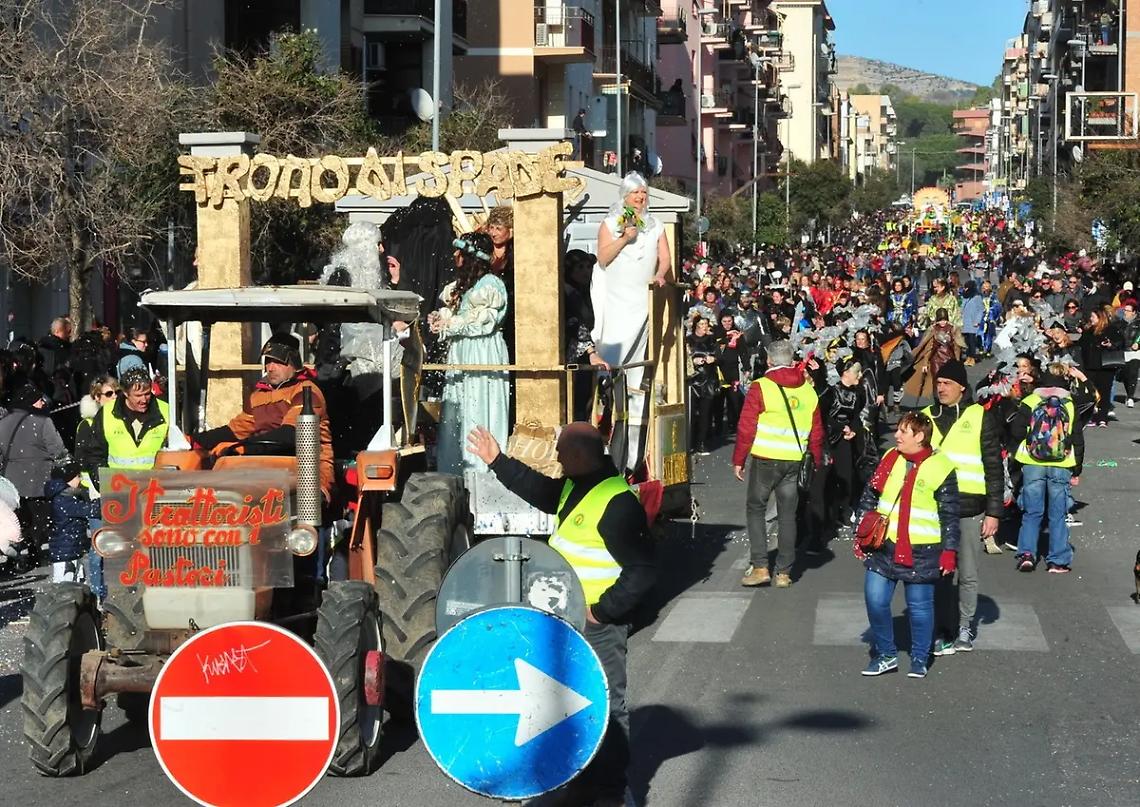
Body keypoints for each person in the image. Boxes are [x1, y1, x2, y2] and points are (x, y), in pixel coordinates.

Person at [465, 423, 655, 807]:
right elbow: (539, 489)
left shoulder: (617, 502)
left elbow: (644, 570)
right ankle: (573, 777)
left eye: (562, 453)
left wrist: (602, 611)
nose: (556, 458)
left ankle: (611, 792)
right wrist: (497, 460)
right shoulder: (576, 484)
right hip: (564, 620)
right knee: (558, 701)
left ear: (582, 455)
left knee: (604, 704)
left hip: (597, 626)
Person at [855, 412, 960, 679]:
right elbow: (871, 492)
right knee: (875, 599)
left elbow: (949, 513)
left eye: (904, 431)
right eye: (898, 430)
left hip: (922, 550)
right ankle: (886, 655)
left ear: (920, 437)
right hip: (884, 545)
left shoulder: (941, 466)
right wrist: (861, 529)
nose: (897, 435)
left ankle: (920, 657)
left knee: (920, 607)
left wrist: (949, 552)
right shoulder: (891, 457)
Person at [922, 360, 1006, 657]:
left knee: (967, 572)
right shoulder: (925, 417)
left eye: (947, 383)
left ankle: (966, 625)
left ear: (961, 387)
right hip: (933, 508)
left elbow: (994, 467)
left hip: (970, 508)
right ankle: (943, 627)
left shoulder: (980, 416)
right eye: (938, 382)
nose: (941, 388)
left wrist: (994, 512)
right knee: (939, 572)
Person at [593, 172, 671, 473]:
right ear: (624, 196)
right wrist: (625, 238)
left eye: (643, 192)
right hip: (616, 305)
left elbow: (664, 258)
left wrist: (661, 273)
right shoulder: (610, 223)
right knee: (612, 370)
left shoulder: (655, 225)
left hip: (641, 303)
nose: (640, 197)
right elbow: (603, 258)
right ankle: (604, 441)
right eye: (635, 193)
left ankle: (631, 457)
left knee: (637, 378)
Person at [732, 340, 824, 588]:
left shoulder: (761, 386)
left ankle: (761, 566)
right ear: (792, 360)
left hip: (765, 459)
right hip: (793, 459)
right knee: (787, 515)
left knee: (756, 509)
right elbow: (817, 431)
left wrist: (739, 459)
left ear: (769, 361)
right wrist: (815, 458)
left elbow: (746, 425)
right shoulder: (807, 389)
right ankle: (784, 572)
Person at [195, 335, 334, 497]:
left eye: (277, 362)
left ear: (293, 363)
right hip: (265, 472)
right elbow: (237, 430)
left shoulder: (307, 391)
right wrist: (195, 441)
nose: (270, 367)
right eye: (267, 361)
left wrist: (243, 447)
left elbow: (291, 434)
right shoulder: (258, 396)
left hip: (307, 474)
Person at [429, 232, 510, 476]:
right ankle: (457, 470)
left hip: (482, 351)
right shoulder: (461, 286)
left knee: (479, 405)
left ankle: (482, 469)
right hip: (463, 351)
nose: (455, 256)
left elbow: (484, 319)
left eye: (460, 252)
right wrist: (440, 319)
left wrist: (452, 323)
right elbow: (458, 315)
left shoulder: (490, 285)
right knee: (460, 408)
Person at [1011, 370, 1083, 573]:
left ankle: (1026, 554)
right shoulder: (1069, 404)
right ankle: (1057, 560)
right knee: (1058, 514)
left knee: (1032, 512)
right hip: (1061, 464)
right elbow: (1077, 438)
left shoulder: (1031, 400)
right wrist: (1076, 469)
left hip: (1033, 461)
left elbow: (1016, 431)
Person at [0, 383, 70, 570]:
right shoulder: (43, 421)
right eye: (39, 399)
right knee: (40, 519)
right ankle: (35, 552)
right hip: (39, 478)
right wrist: (68, 471)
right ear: (31, 401)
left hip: (12, 481)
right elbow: (57, 449)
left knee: (20, 520)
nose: (43, 402)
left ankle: (19, 553)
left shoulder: (3, 422)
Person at [80, 367, 170, 491]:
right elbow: (94, 455)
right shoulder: (106, 413)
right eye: (138, 395)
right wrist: (104, 485)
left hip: (155, 492)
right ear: (126, 393)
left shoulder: (166, 412)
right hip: (118, 492)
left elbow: (177, 453)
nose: (144, 400)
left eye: (147, 394)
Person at [45, 460, 100, 583]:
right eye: (78, 476)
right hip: (66, 553)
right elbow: (88, 509)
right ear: (68, 479)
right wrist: (104, 502)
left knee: (78, 584)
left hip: (71, 550)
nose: (80, 479)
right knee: (64, 588)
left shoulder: (65, 496)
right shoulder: (64, 500)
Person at [1081, 305, 1123, 427]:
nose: (1091, 319)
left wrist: (1111, 344)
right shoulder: (1088, 330)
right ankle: (1091, 416)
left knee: (1105, 392)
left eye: (1093, 316)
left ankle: (1102, 417)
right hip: (1090, 366)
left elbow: (1120, 342)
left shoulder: (1111, 329)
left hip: (1105, 366)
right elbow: (1081, 345)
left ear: (1100, 318)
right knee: (1091, 393)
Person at [687, 317, 719, 456]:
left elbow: (719, 355)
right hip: (693, 380)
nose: (704, 326)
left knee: (705, 413)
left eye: (706, 324)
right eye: (701, 324)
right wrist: (693, 360)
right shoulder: (688, 340)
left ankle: (702, 443)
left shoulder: (712, 339)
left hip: (708, 379)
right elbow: (684, 357)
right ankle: (691, 442)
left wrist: (714, 358)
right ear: (695, 326)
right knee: (692, 413)